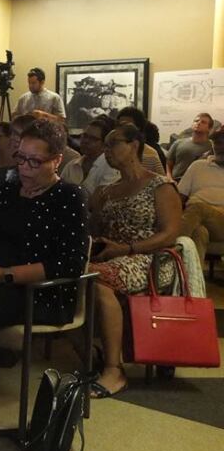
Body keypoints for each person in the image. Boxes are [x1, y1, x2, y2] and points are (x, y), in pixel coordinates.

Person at [0, 119, 89, 328]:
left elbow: (70, 263)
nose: (24, 168)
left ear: (56, 161)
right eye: (20, 158)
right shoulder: (9, 189)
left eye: (35, 161)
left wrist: (5, 274)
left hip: (34, 291)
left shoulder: (69, 197)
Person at [87, 123, 181, 398]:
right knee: (70, 274)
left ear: (134, 146)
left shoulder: (159, 185)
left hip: (151, 260)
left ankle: (114, 369)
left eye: (113, 144)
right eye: (104, 146)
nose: (107, 151)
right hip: (111, 256)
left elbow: (169, 234)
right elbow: (95, 231)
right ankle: (92, 353)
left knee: (96, 278)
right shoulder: (108, 191)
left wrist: (126, 249)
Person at [177, 128, 224, 261]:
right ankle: (193, 280)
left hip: (220, 221)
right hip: (195, 217)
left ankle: (166, 250)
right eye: (218, 143)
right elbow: (179, 198)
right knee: (199, 233)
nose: (221, 147)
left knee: (198, 208)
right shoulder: (198, 166)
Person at [61, 116, 120, 198]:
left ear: (104, 145)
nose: (86, 141)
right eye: (84, 136)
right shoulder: (71, 166)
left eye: (93, 139)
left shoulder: (111, 167)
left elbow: (101, 200)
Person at [116, 107, 165, 175]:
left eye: (127, 125)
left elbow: (163, 181)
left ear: (138, 128)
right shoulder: (112, 150)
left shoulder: (150, 154)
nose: (122, 129)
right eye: (120, 125)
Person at [167, 113, 213, 181]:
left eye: (203, 122)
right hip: (176, 182)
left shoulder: (213, 147)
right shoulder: (178, 143)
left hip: (198, 184)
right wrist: (170, 180)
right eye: (196, 121)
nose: (198, 123)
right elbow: (168, 164)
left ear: (209, 128)